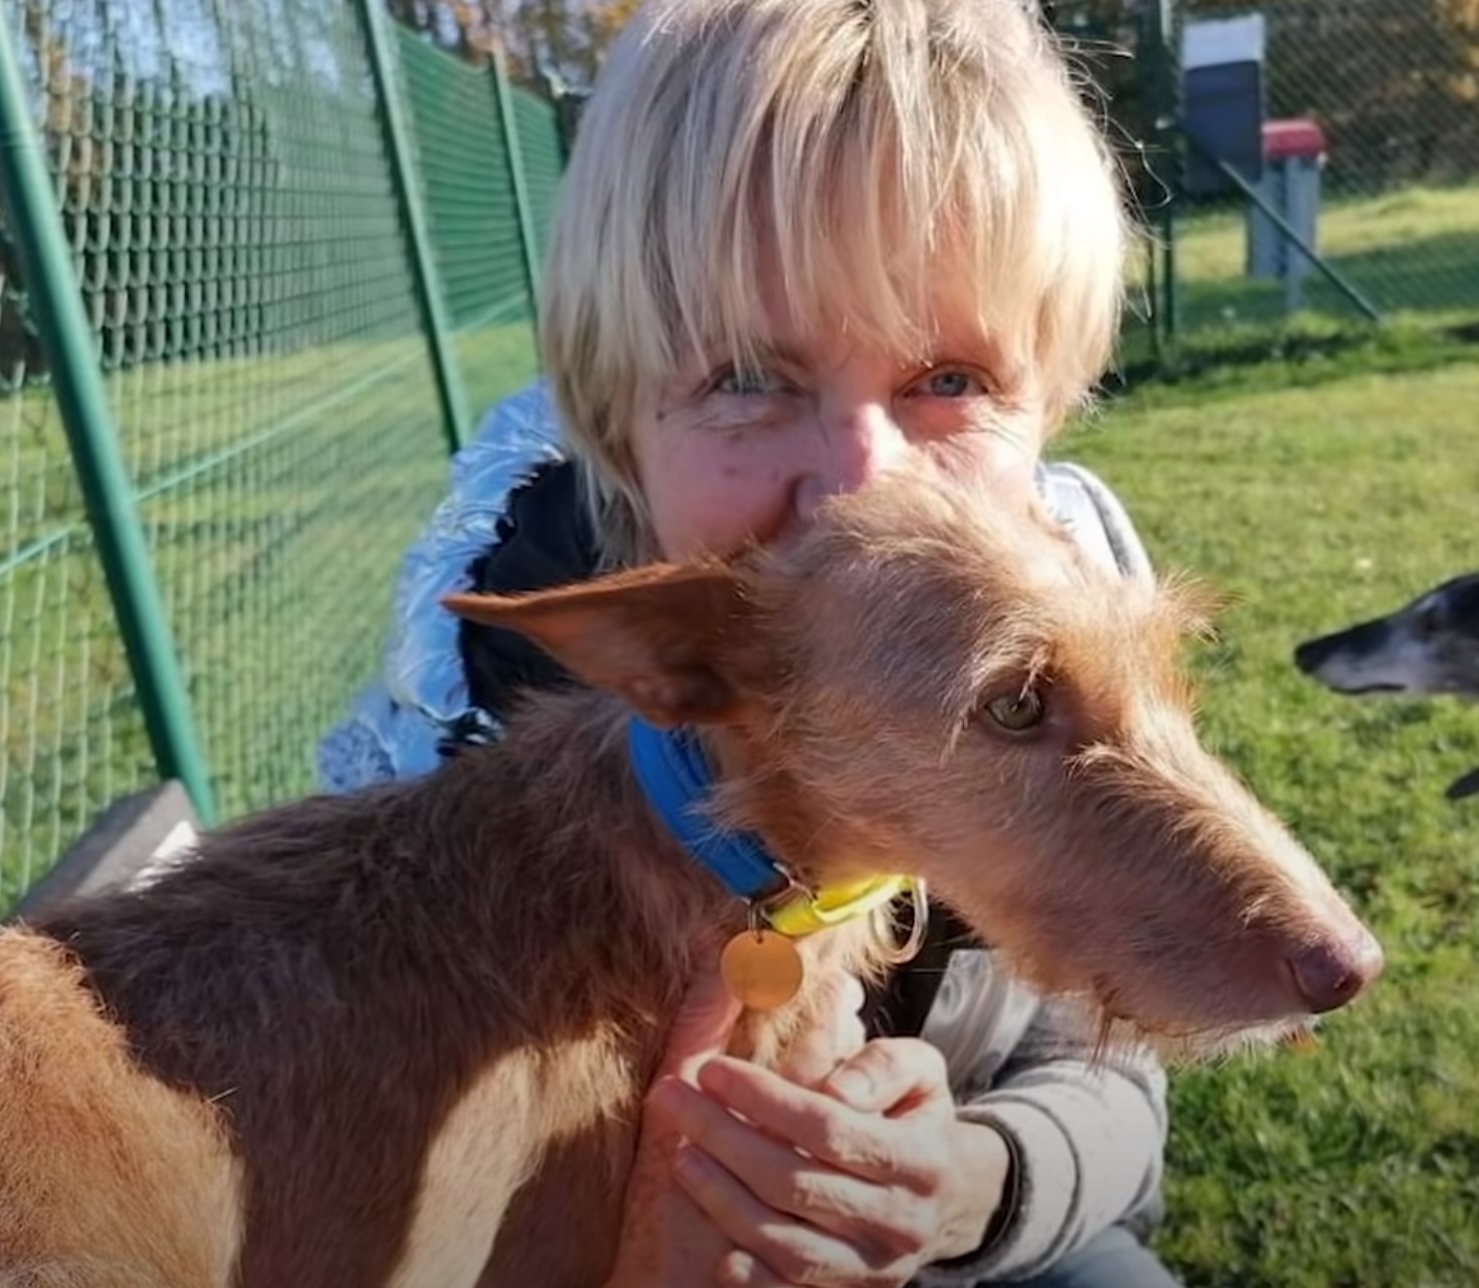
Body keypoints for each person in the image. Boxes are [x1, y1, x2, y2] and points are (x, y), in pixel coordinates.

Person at [318, 1, 1185, 1284]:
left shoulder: (1076, 640)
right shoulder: (499, 677)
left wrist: (975, 1185)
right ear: (618, 411)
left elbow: (1108, 1070)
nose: (860, 488)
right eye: (744, 377)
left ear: (1049, 398)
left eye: (948, 379)